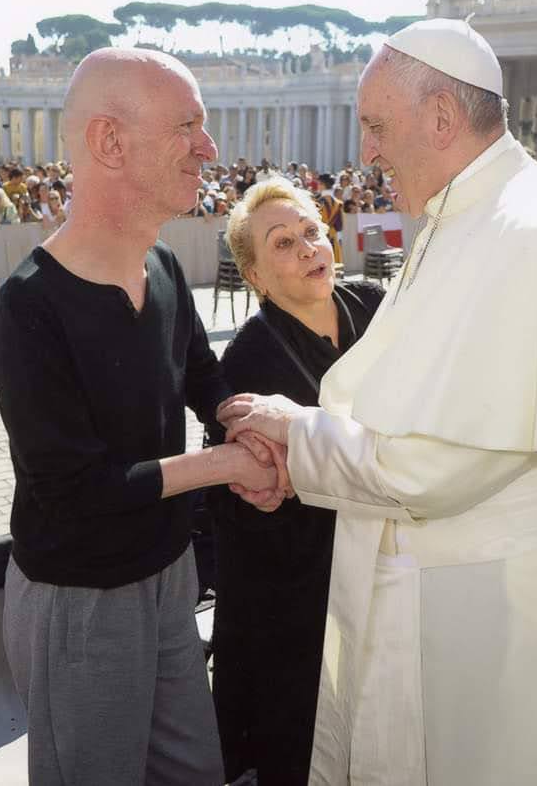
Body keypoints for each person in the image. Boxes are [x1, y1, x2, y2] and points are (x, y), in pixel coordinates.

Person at [217, 18, 537, 786]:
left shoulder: (520, 235)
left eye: (376, 125)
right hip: (485, 588)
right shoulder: (482, 214)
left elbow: (434, 464)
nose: (367, 152)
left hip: (498, 611)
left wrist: (298, 434)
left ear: (442, 117)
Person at [0, 47, 283, 786]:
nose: (209, 147)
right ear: (109, 142)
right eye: (187, 125)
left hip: (170, 573)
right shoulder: (28, 309)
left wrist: (240, 417)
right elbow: (76, 492)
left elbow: (200, 374)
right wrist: (224, 464)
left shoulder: (164, 266)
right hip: (80, 599)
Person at [209, 177, 384, 786]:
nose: (309, 248)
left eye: (312, 231)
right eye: (283, 243)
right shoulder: (247, 361)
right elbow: (241, 502)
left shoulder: (375, 306)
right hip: (304, 585)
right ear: (255, 276)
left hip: (394, 553)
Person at [316, 173, 344, 264]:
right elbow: (339, 226)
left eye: (319, 184)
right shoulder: (338, 204)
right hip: (333, 237)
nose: (317, 186)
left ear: (323, 185)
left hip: (320, 236)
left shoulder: (317, 202)